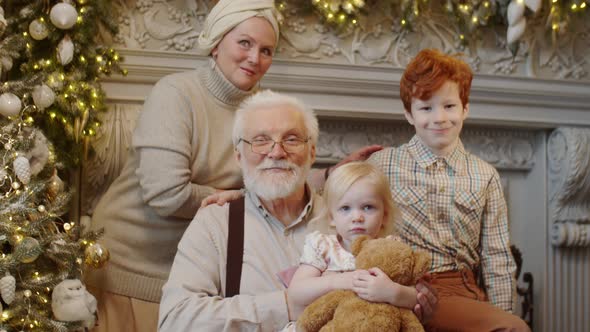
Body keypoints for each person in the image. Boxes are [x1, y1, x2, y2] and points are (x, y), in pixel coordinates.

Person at [85, 1, 381, 331]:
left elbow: (270, 170)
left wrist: (329, 174)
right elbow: (166, 194)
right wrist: (240, 195)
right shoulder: (176, 94)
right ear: (215, 42)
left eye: (266, 50)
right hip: (131, 265)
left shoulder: (260, 108)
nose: (255, 58)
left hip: (197, 269)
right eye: (245, 43)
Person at [158, 91, 436, 331]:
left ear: (312, 152)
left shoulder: (354, 215)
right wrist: (287, 306)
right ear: (239, 155)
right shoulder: (218, 221)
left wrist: (416, 301)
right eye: (261, 140)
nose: (277, 152)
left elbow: (405, 283)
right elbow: (175, 321)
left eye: (291, 139)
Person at [367, 48, 530, 331]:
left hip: (462, 290)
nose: (439, 118)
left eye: (449, 106)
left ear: (465, 108)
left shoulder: (484, 175)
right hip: (403, 286)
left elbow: (497, 257)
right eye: (426, 108)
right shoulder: (383, 164)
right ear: (409, 113)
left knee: (513, 328)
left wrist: (502, 314)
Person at [284, 161, 423, 331]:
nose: (357, 217)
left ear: (385, 215)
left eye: (367, 207)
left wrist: (392, 292)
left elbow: (417, 298)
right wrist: (337, 281)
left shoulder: (389, 248)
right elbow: (296, 292)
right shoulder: (323, 246)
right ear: (331, 217)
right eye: (345, 208)